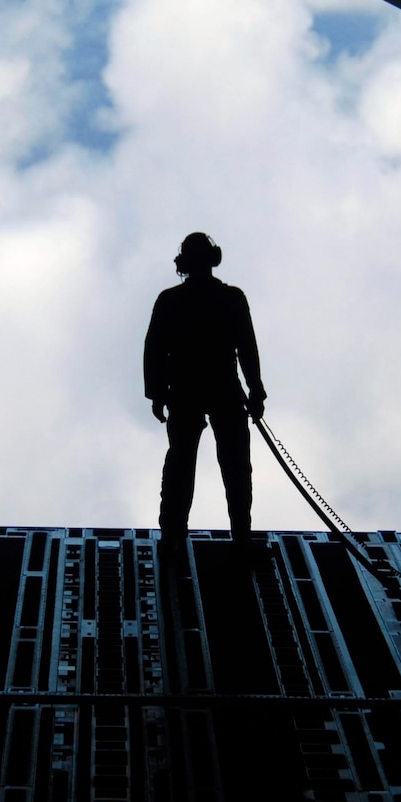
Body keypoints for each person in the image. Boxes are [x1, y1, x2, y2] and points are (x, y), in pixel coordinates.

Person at [144, 232, 267, 564]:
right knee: (234, 467)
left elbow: (155, 349)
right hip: (220, 387)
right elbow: (247, 348)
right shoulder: (231, 298)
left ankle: (172, 539)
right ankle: (238, 540)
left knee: (184, 465)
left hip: (187, 390)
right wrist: (255, 389)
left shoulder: (170, 299)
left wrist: (156, 393)